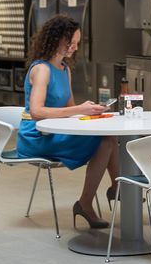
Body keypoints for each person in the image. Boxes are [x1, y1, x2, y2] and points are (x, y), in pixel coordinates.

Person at [17, 14, 120, 230]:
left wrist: (92, 113)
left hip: (54, 133)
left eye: (77, 43)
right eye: (70, 43)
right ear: (55, 40)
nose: (74, 48)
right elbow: (36, 111)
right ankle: (107, 194)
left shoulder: (65, 70)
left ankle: (112, 190)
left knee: (109, 139)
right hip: (36, 136)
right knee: (107, 143)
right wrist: (79, 109)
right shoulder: (41, 70)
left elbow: (70, 112)